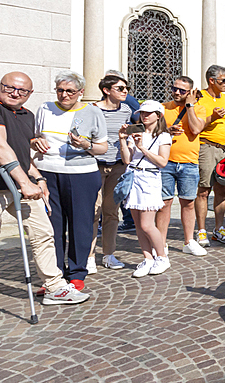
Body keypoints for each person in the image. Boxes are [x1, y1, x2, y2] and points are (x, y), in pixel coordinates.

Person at [0, 72, 90, 316]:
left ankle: (55, 286)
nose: (15, 93)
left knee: (43, 233)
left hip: (25, 185)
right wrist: (25, 183)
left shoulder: (27, 115)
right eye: (9, 88)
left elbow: (23, 155)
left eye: (22, 91)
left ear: (30, 94)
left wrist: (39, 178)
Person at [32, 71, 108, 291]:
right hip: (47, 173)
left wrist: (85, 145)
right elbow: (36, 136)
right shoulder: (45, 108)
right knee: (51, 226)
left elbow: (102, 147)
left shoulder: (93, 112)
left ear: (80, 93)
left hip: (81, 174)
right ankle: (54, 275)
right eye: (60, 90)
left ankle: (77, 273)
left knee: (80, 224)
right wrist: (36, 142)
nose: (64, 95)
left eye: (70, 91)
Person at [118, 101, 172, 277]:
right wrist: (122, 140)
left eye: (149, 113)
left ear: (158, 115)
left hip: (149, 178)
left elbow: (162, 162)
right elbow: (127, 159)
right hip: (133, 176)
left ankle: (162, 257)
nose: (144, 116)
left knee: (147, 224)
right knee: (138, 225)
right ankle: (148, 258)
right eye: (142, 113)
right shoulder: (135, 131)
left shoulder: (163, 136)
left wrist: (142, 148)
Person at [156, 76, 207, 257]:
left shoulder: (199, 108)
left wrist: (190, 106)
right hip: (165, 161)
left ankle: (189, 241)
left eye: (182, 91)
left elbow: (195, 129)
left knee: (188, 202)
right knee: (164, 203)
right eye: (174, 88)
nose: (177, 93)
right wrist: (167, 131)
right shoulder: (163, 107)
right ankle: (161, 243)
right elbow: (152, 130)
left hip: (189, 162)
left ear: (190, 92)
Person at [88, 74, 132, 270]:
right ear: (106, 90)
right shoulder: (92, 110)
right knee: (93, 212)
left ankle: (109, 254)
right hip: (94, 165)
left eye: (126, 88)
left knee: (111, 212)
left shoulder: (126, 110)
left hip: (117, 165)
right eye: (120, 88)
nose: (125, 92)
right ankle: (88, 256)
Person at [195, 65, 225, 247]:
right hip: (206, 147)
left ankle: (219, 228)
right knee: (204, 190)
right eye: (223, 80)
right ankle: (201, 230)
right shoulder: (199, 98)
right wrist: (212, 117)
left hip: (224, 149)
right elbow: (194, 125)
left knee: (221, 190)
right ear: (211, 81)